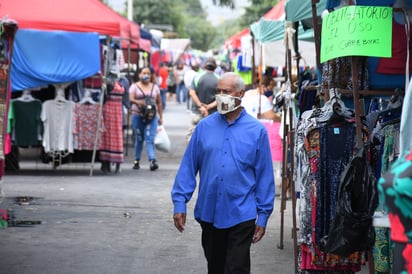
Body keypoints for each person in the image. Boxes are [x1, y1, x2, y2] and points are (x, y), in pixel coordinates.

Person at [171, 72, 275, 274]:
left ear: (241, 93)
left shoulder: (256, 131)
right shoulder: (204, 127)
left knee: (236, 268)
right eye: (218, 91)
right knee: (215, 267)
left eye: (226, 91)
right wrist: (179, 202)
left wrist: (262, 216)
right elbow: (188, 167)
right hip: (209, 212)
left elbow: (264, 177)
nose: (220, 96)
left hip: (241, 212)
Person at [129, 66, 163, 171]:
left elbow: (159, 102)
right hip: (137, 115)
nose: (146, 75)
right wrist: (139, 102)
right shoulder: (134, 87)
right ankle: (136, 160)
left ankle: (152, 160)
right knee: (139, 138)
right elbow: (131, 98)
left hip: (151, 117)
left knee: (149, 138)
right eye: (143, 73)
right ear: (139, 75)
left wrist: (161, 117)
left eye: (148, 73)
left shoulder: (155, 88)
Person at [186, 57, 219, 142]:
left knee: (191, 138)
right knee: (212, 138)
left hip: (197, 112)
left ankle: (190, 155)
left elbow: (192, 93)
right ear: (215, 67)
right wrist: (208, 107)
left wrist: (201, 107)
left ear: (204, 66)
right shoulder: (219, 79)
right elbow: (221, 97)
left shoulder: (197, 77)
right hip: (213, 114)